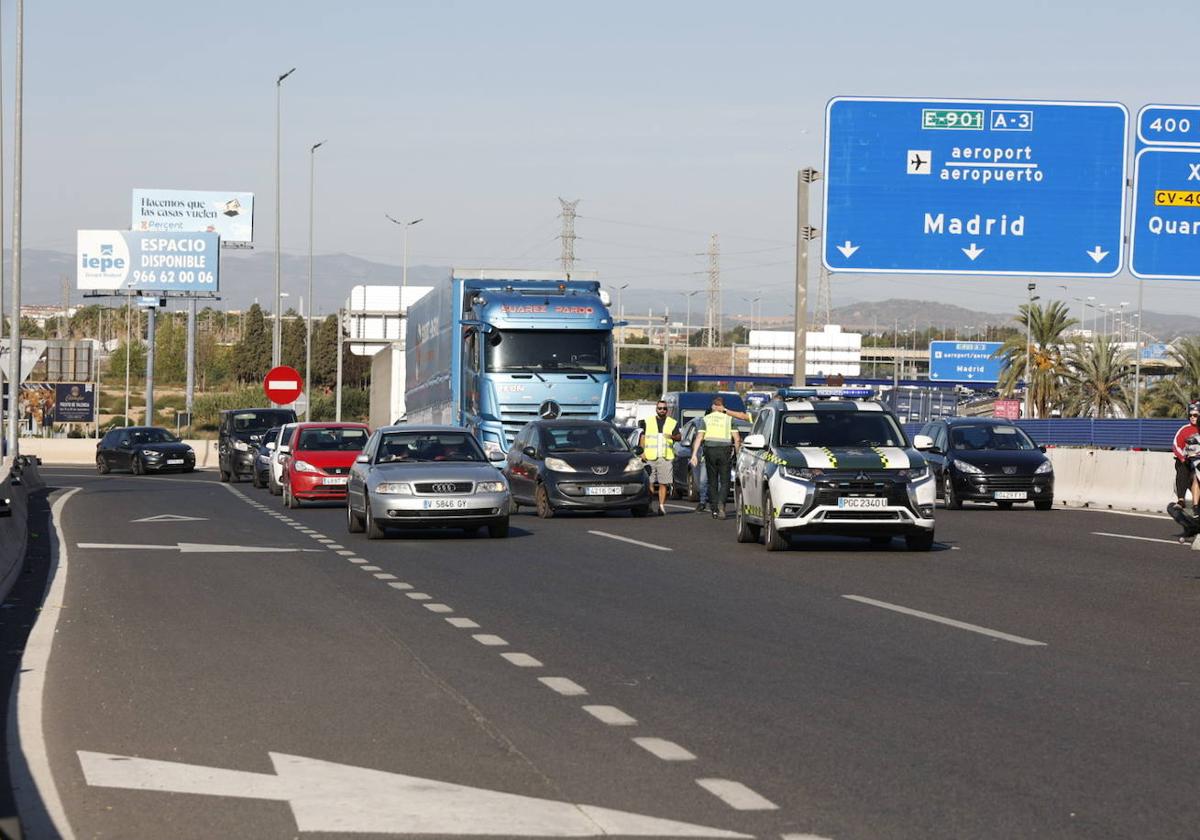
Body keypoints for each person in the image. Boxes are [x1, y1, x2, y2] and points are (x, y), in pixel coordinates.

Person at [689, 395, 741, 519]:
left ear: (713, 406)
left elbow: (699, 437)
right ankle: (721, 505)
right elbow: (737, 439)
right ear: (722, 406)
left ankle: (714, 509)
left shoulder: (706, 419)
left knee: (712, 481)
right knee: (724, 480)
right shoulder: (729, 419)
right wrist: (738, 455)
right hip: (724, 451)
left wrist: (694, 454)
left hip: (709, 450)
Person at [639, 400, 680, 516]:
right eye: (660, 408)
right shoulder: (648, 421)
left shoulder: (672, 422)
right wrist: (642, 452)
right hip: (650, 457)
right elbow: (643, 437)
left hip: (665, 457)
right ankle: (650, 505)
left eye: (664, 408)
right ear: (656, 409)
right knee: (650, 483)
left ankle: (661, 506)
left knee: (664, 483)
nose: (662, 410)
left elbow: (679, 437)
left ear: (667, 410)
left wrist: (672, 436)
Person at [1172, 403, 1200, 507]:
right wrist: (1183, 459)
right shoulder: (1184, 429)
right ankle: (1181, 500)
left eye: (1195, 415)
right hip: (1187, 461)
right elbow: (1175, 446)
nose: (1192, 417)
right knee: (1182, 468)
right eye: (1190, 415)